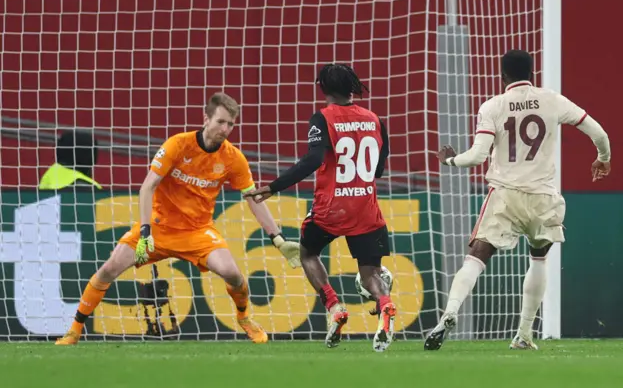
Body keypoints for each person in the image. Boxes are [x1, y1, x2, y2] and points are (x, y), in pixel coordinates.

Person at [55, 92, 301, 345]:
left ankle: (244, 317)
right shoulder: (177, 145)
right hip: (159, 228)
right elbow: (147, 187)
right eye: (221, 122)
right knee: (108, 269)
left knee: (233, 274)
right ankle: (74, 331)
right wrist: (146, 231)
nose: (225, 129)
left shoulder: (233, 158)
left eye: (231, 124)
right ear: (206, 118)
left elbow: (252, 198)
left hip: (197, 232)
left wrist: (278, 238)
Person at [424, 50, 611, 351]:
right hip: (542, 196)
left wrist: (450, 160)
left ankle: (450, 312)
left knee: (476, 257)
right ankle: (524, 334)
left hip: (505, 194)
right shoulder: (552, 99)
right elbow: (598, 132)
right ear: (532, 72)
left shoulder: (493, 106)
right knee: (538, 258)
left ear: (502, 76)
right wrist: (603, 158)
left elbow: (476, 157)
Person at [244, 64, 395, 352]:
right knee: (370, 273)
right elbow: (378, 170)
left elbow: (313, 160)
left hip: (332, 208)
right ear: (353, 86)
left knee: (307, 252)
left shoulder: (322, 118)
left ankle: (334, 306)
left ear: (323, 88)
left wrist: (273, 187)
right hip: (366, 206)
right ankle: (385, 303)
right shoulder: (374, 119)